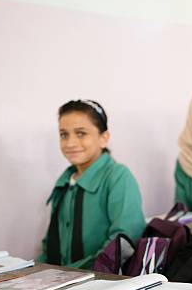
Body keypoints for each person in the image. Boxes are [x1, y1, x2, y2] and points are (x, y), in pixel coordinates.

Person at [39, 100, 145, 269]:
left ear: (104, 138)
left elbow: (123, 241)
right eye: (64, 135)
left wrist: (68, 274)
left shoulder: (118, 177)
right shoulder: (65, 183)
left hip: (101, 283)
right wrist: (36, 273)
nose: (70, 143)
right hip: (59, 281)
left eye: (81, 133)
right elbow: (50, 245)